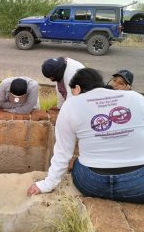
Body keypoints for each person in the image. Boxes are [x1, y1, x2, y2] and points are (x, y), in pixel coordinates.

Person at [27, 68, 144, 204]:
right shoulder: (136, 98)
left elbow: (63, 152)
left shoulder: (70, 105)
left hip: (91, 183)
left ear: (77, 88)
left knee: (76, 162)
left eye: (72, 92)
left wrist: (47, 185)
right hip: (138, 185)